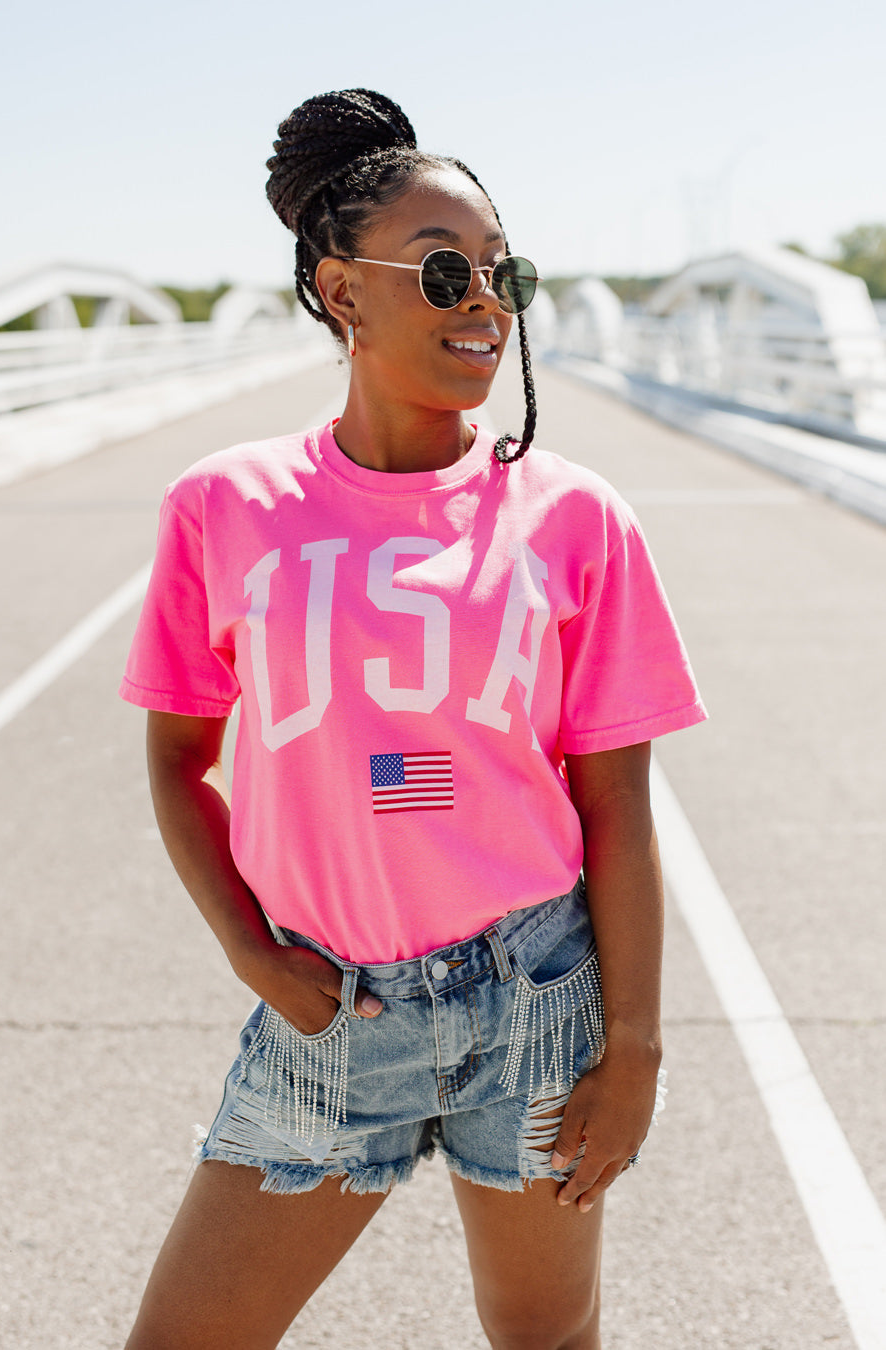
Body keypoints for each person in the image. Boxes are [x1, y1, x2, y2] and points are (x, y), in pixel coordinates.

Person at [119, 88, 706, 1350]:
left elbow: (618, 803)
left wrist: (637, 1052)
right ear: (342, 291)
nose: (487, 304)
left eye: (507, 273)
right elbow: (178, 761)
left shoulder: (576, 516)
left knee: (546, 1340)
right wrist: (255, 958)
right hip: (333, 1013)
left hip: (536, 996)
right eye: (446, 274)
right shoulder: (223, 507)